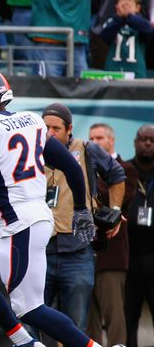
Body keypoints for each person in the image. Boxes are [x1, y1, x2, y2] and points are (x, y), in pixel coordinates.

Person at [0, 68, 104, 347]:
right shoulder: (31, 120)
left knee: (30, 308)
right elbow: (70, 165)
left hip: (18, 223)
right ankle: (26, 342)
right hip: (22, 218)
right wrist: (81, 208)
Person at [41, 103, 126, 334]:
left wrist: (115, 210)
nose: (49, 133)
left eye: (55, 128)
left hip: (77, 251)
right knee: (35, 323)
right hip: (39, 250)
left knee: (76, 326)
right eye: (45, 127)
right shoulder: (32, 152)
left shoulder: (87, 149)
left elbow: (117, 175)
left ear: (69, 128)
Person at [86, 122, 139, 346]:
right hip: (86, 254)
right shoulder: (85, 167)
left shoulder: (126, 169)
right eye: (92, 139)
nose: (95, 143)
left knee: (115, 316)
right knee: (89, 321)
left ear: (112, 140)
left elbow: (109, 201)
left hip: (112, 255)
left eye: (100, 138)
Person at [125, 124, 154, 347]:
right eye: (143, 139)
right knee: (129, 314)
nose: (147, 143)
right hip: (130, 255)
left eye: (152, 140)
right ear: (135, 142)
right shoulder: (125, 171)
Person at [100, 0, 154, 78]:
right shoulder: (112, 22)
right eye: (122, 5)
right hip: (113, 72)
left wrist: (129, 17)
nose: (125, 9)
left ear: (137, 8)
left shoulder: (141, 24)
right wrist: (120, 19)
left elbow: (149, 31)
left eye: (128, 6)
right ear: (116, 7)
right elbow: (105, 35)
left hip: (136, 73)